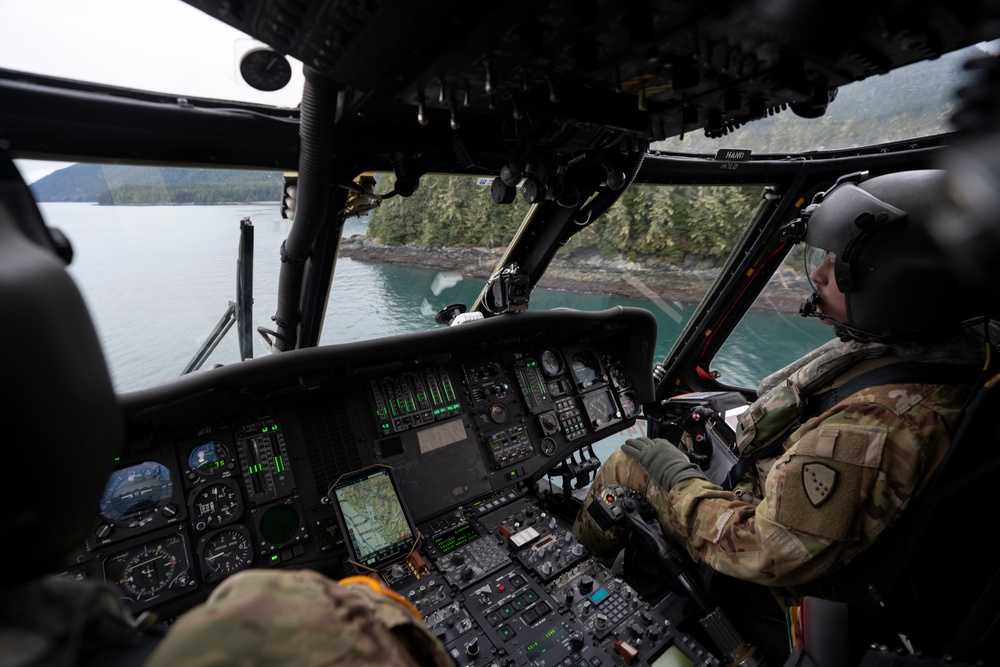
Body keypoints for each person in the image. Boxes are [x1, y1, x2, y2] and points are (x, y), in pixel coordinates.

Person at [572, 169, 995, 602]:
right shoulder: (955, 354)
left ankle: (569, 584)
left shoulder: (875, 423)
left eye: (839, 263)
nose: (820, 274)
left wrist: (679, 482)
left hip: (775, 579)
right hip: (802, 514)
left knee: (629, 463)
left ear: (898, 284)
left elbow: (767, 550)